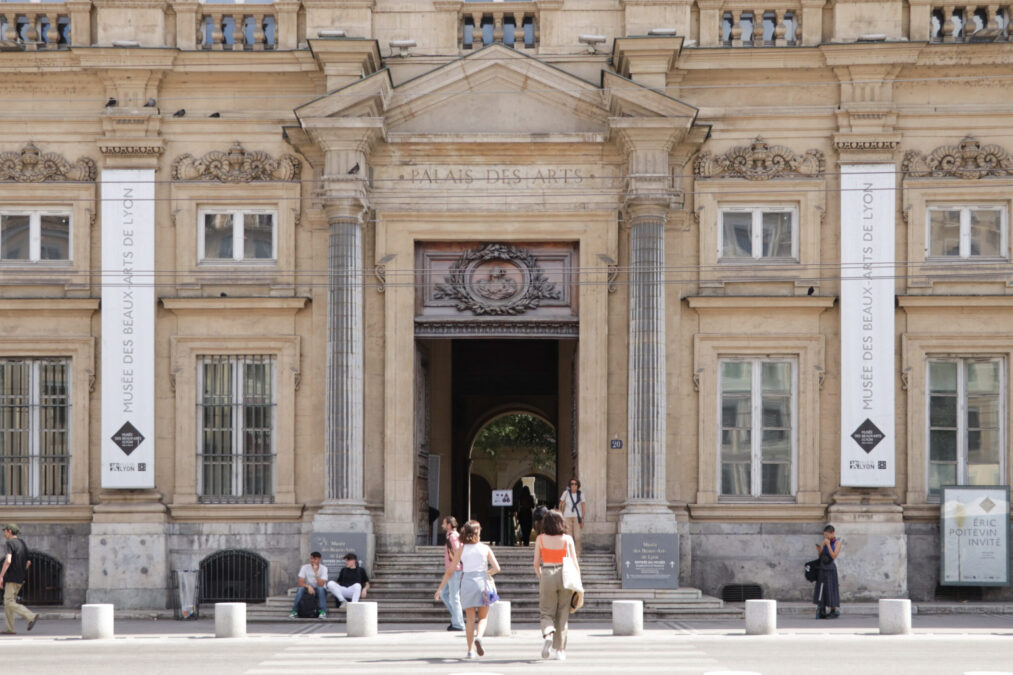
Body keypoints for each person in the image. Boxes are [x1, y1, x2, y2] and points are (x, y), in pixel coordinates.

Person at [434, 520, 501, 660]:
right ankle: (479, 637)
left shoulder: (462, 549)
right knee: (483, 618)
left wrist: (440, 589)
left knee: (470, 620)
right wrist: (487, 573)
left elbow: (450, 571)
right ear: (477, 532)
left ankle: (470, 651)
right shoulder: (485, 548)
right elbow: (497, 568)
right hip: (482, 583)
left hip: (466, 584)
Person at [533, 510, 578, 661]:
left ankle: (548, 633)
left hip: (547, 572)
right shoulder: (567, 539)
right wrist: (578, 582)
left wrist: (542, 577)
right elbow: (574, 563)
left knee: (546, 611)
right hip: (564, 575)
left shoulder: (540, 539)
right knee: (563, 613)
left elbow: (535, 563)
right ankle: (560, 650)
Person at [1, 524, 38, 635]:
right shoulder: (22, 543)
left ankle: (31, 616)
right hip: (20, 578)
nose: (4, 533)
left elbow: (8, 560)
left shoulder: (10, 543)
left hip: (11, 577)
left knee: (8, 602)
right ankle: (9, 628)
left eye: (5, 531)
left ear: (9, 531)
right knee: (9, 603)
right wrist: (20, 571)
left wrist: (1, 576)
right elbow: (28, 562)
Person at [438, 516, 465, 631]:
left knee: (454, 596)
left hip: (455, 569)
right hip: (452, 568)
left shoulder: (453, 537)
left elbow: (459, 551)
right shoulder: (451, 536)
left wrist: (455, 565)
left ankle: (458, 624)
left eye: (444, 523)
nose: (442, 525)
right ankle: (456, 619)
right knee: (444, 594)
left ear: (449, 525)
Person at [813, 525, 842, 619]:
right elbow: (820, 555)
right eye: (825, 535)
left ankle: (834, 610)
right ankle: (822, 608)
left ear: (832, 533)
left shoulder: (837, 543)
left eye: (828, 535)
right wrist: (820, 548)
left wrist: (828, 545)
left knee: (831, 588)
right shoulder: (825, 541)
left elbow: (834, 556)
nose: (826, 537)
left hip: (831, 568)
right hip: (823, 567)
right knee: (822, 588)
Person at [289, 551, 328, 619]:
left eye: (314, 559)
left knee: (320, 589)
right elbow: (300, 583)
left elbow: (321, 584)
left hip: (319, 589)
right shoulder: (305, 567)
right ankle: (294, 611)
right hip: (308, 589)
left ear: (319, 559)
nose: (312, 561)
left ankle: (323, 611)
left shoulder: (324, 568)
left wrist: (316, 572)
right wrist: (308, 586)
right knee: (300, 589)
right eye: (311, 558)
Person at [559, 478, 586, 557]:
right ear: (570, 485)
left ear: (578, 486)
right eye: (572, 484)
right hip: (567, 516)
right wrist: (560, 515)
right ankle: (569, 554)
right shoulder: (566, 493)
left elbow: (583, 506)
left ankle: (577, 554)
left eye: (575, 484)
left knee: (577, 537)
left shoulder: (580, 494)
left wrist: (583, 518)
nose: (573, 486)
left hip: (577, 517)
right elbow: (561, 504)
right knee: (569, 537)